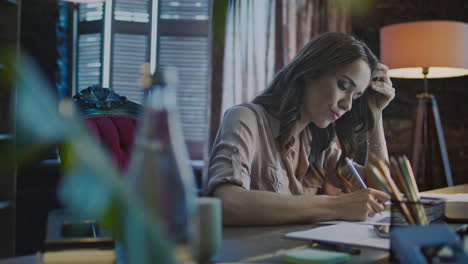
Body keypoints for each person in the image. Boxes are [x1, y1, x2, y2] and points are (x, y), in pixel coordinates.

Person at [205, 32, 394, 225]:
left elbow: (380, 195)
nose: (347, 105)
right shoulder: (246, 119)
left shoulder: (318, 142)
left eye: (355, 97)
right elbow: (226, 203)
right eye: (343, 86)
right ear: (311, 72)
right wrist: (335, 206)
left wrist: (376, 112)